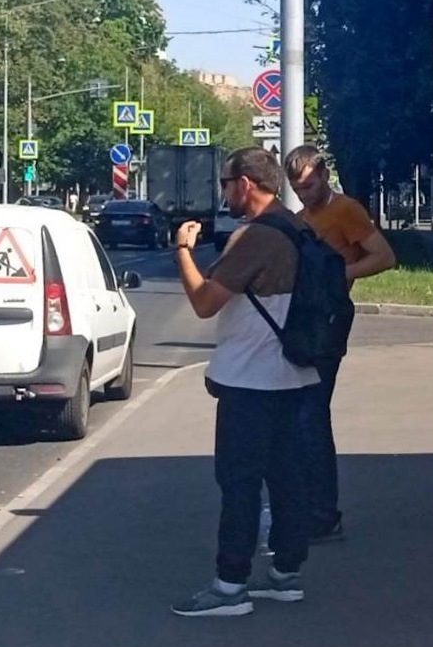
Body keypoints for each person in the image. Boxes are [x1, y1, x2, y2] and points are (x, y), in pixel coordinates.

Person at [169, 147, 321, 616]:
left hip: (251, 382)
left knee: (239, 483)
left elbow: (204, 302)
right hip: (296, 374)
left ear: (246, 184)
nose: (224, 194)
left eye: (225, 184)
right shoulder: (297, 228)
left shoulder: (256, 237)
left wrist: (182, 250)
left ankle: (230, 586)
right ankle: (286, 575)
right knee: (288, 479)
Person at [283, 145, 397, 543]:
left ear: (324, 176)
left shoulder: (346, 210)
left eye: (309, 185)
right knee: (303, 416)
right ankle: (312, 508)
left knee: (311, 416)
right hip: (310, 320)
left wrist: (338, 274)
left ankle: (323, 515)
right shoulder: (303, 218)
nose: (304, 194)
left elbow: (384, 256)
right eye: (297, 188)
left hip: (329, 322)